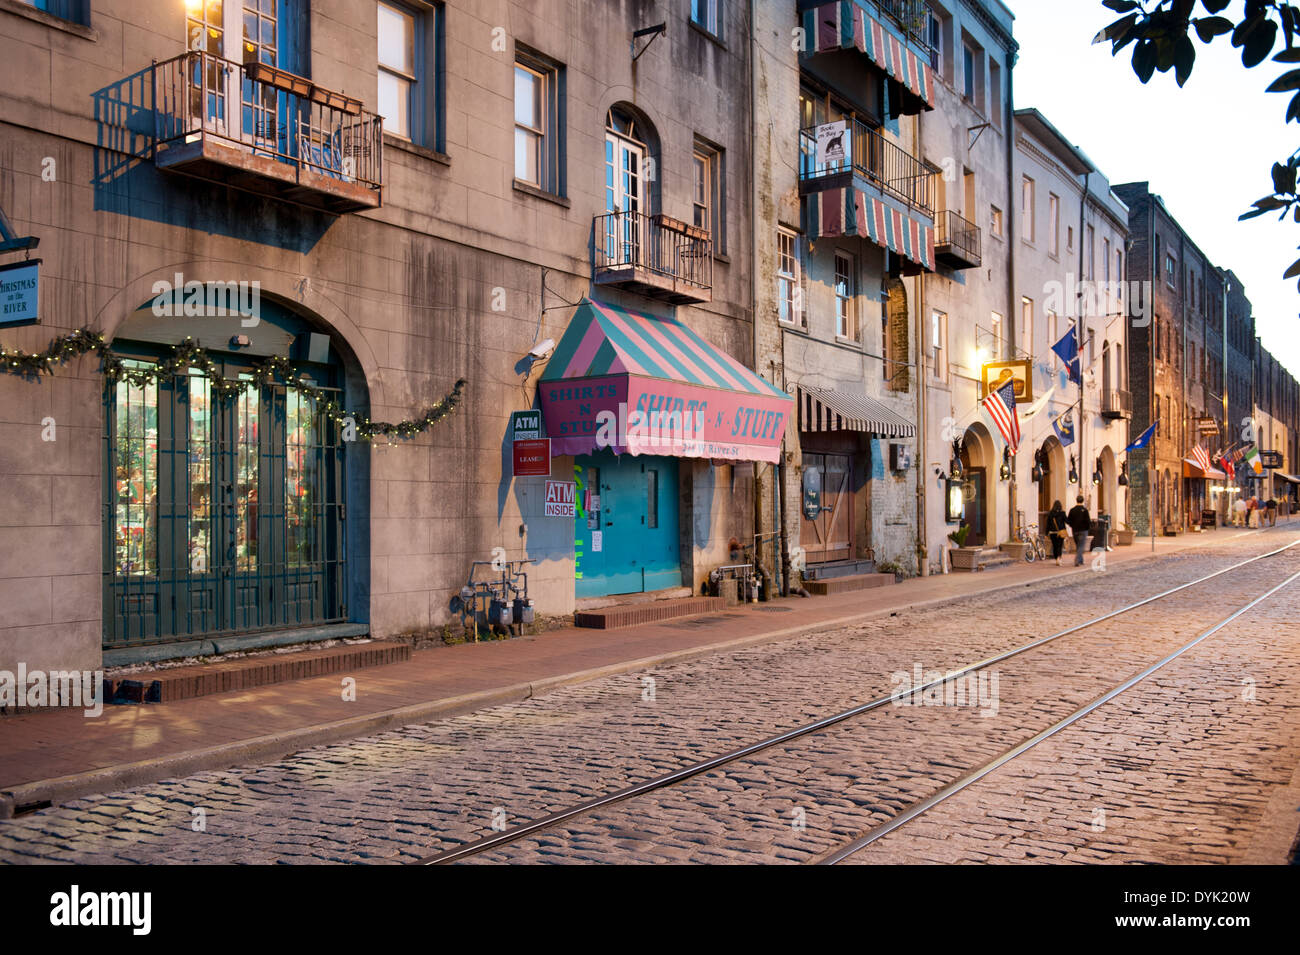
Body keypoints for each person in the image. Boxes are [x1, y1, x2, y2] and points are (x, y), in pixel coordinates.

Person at [1067, 494, 1092, 566]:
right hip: (1083, 530)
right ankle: (1077, 560)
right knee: (1081, 545)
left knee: (1078, 545)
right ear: (1083, 501)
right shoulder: (1084, 510)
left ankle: (1081, 560)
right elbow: (1088, 521)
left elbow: (1068, 520)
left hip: (1075, 530)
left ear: (1076, 500)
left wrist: (1072, 525)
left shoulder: (1072, 510)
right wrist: (1087, 528)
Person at [1045, 500, 1068, 566]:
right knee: (1059, 545)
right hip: (1060, 532)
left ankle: (1056, 558)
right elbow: (1067, 521)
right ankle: (1059, 558)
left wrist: (1046, 533)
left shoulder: (1050, 513)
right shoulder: (1062, 513)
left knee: (1055, 546)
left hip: (1052, 532)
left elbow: (1048, 524)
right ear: (1060, 506)